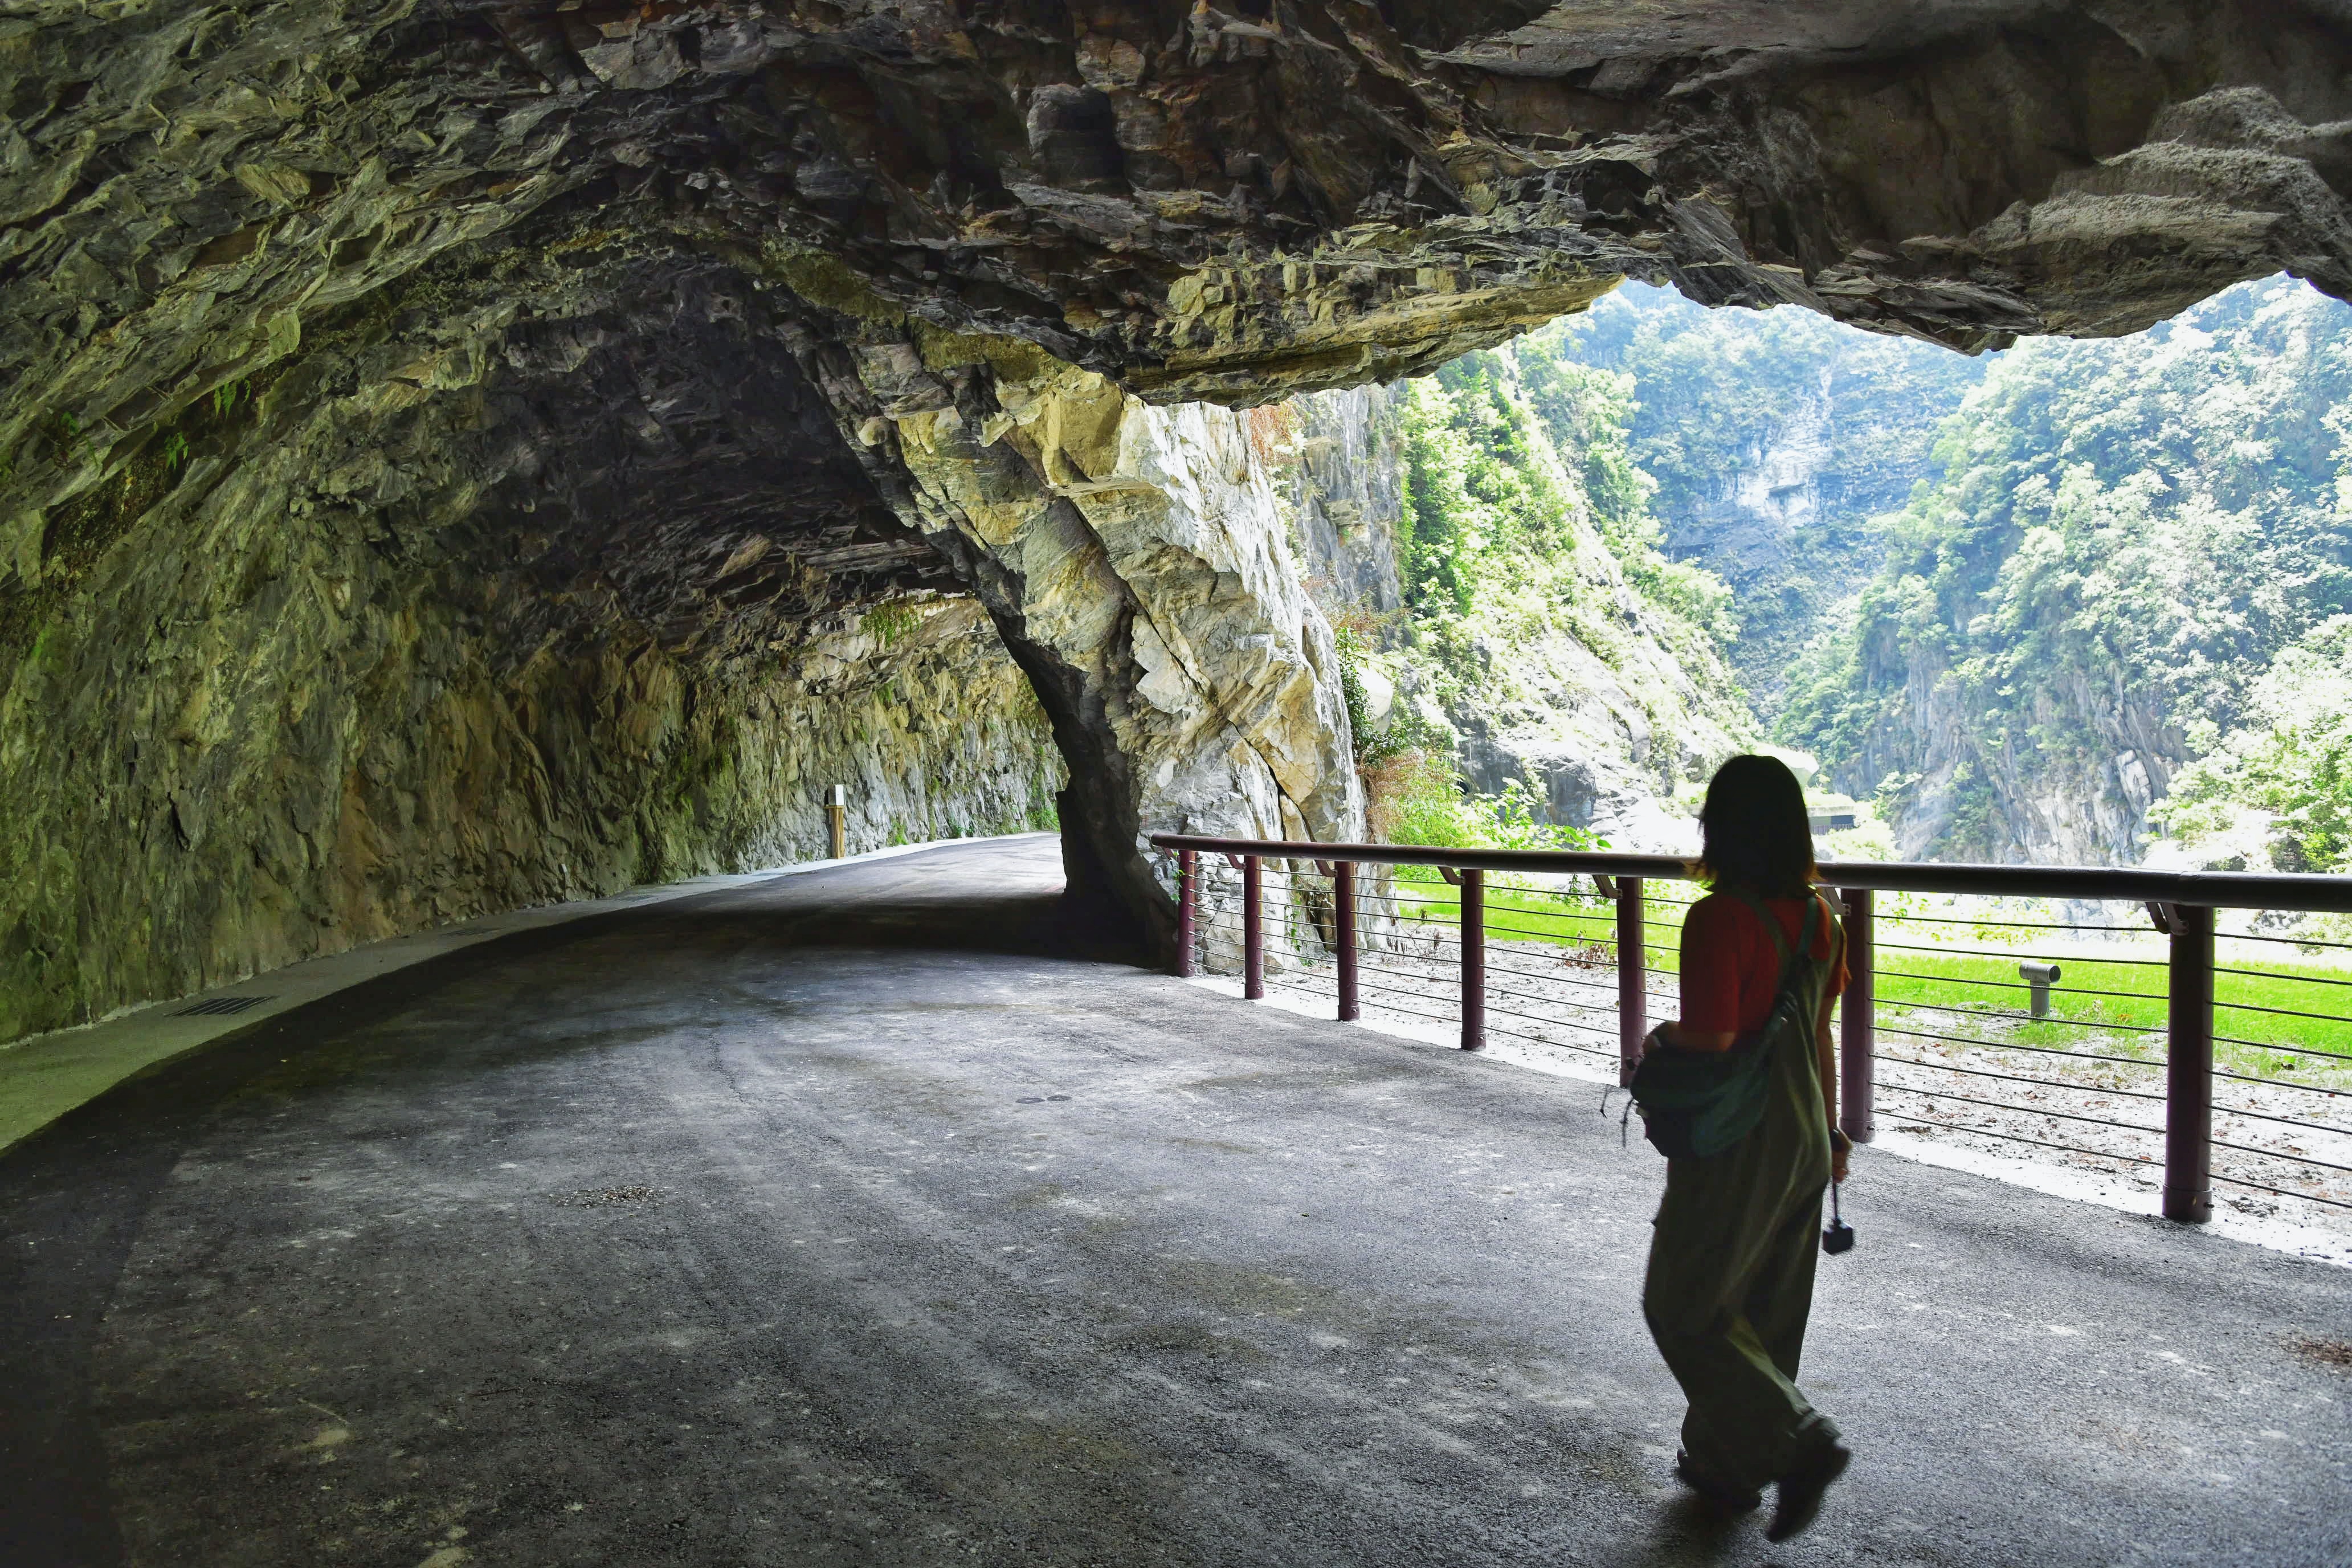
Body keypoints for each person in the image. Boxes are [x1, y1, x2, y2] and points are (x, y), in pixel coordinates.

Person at [1641, 753, 1853, 1541]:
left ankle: (1800, 1442)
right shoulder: (1824, 920)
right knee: (1767, 1309)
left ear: (1719, 829)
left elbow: (1715, 1037)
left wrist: (1659, 1037)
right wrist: (1832, 1131)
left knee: (1684, 1304)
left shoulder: (1718, 920)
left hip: (1741, 1140)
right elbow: (1820, 1037)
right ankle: (1724, 1468)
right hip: (1803, 1134)